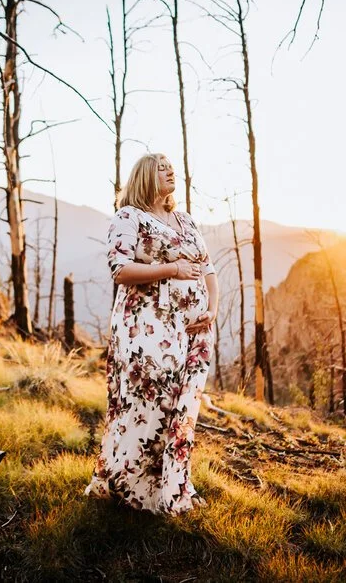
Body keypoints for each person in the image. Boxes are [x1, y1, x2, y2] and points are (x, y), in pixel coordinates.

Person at [83, 153, 218, 515]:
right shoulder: (129, 217)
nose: (170, 170)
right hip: (146, 325)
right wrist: (171, 269)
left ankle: (173, 488)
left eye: (171, 165)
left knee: (182, 410)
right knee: (149, 402)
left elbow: (208, 269)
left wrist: (212, 309)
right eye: (161, 166)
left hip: (193, 332)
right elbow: (120, 269)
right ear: (144, 176)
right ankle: (130, 486)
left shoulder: (185, 220)